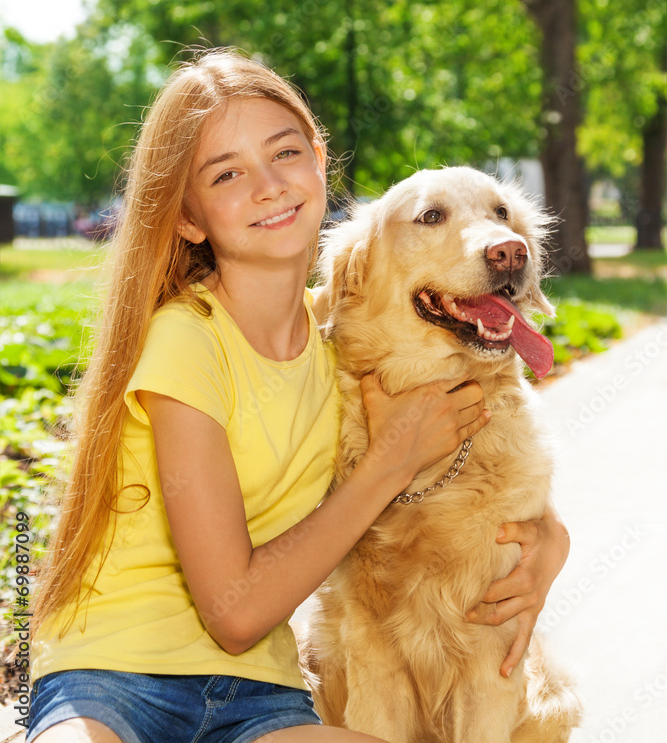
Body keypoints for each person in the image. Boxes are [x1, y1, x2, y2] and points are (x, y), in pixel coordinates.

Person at [27, 48, 569, 743]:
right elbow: (234, 612)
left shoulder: (343, 348)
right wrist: (390, 463)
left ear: (319, 161)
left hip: (260, 699)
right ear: (188, 219)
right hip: (114, 682)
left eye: (284, 154)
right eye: (227, 174)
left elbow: (486, 491)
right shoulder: (186, 341)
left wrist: (548, 540)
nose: (268, 187)